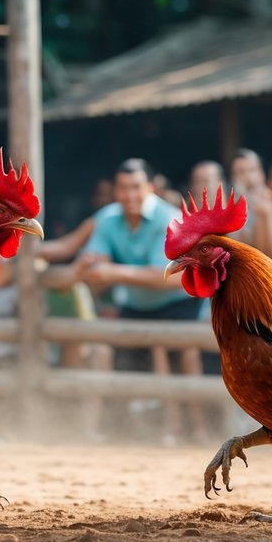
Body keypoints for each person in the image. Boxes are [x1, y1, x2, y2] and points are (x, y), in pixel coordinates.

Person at [75, 158, 207, 442]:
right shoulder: (108, 219)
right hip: (134, 307)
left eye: (136, 187)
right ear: (116, 191)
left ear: (150, 187)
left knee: (176, 349)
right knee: (101, 348)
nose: (130, 195)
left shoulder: (169, 218)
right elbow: (97, 261)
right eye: (123, 188)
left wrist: (113, 272)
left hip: (177, 305)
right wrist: (96, 265)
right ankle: (90, 430)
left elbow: (167, 276)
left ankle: (197, 430)